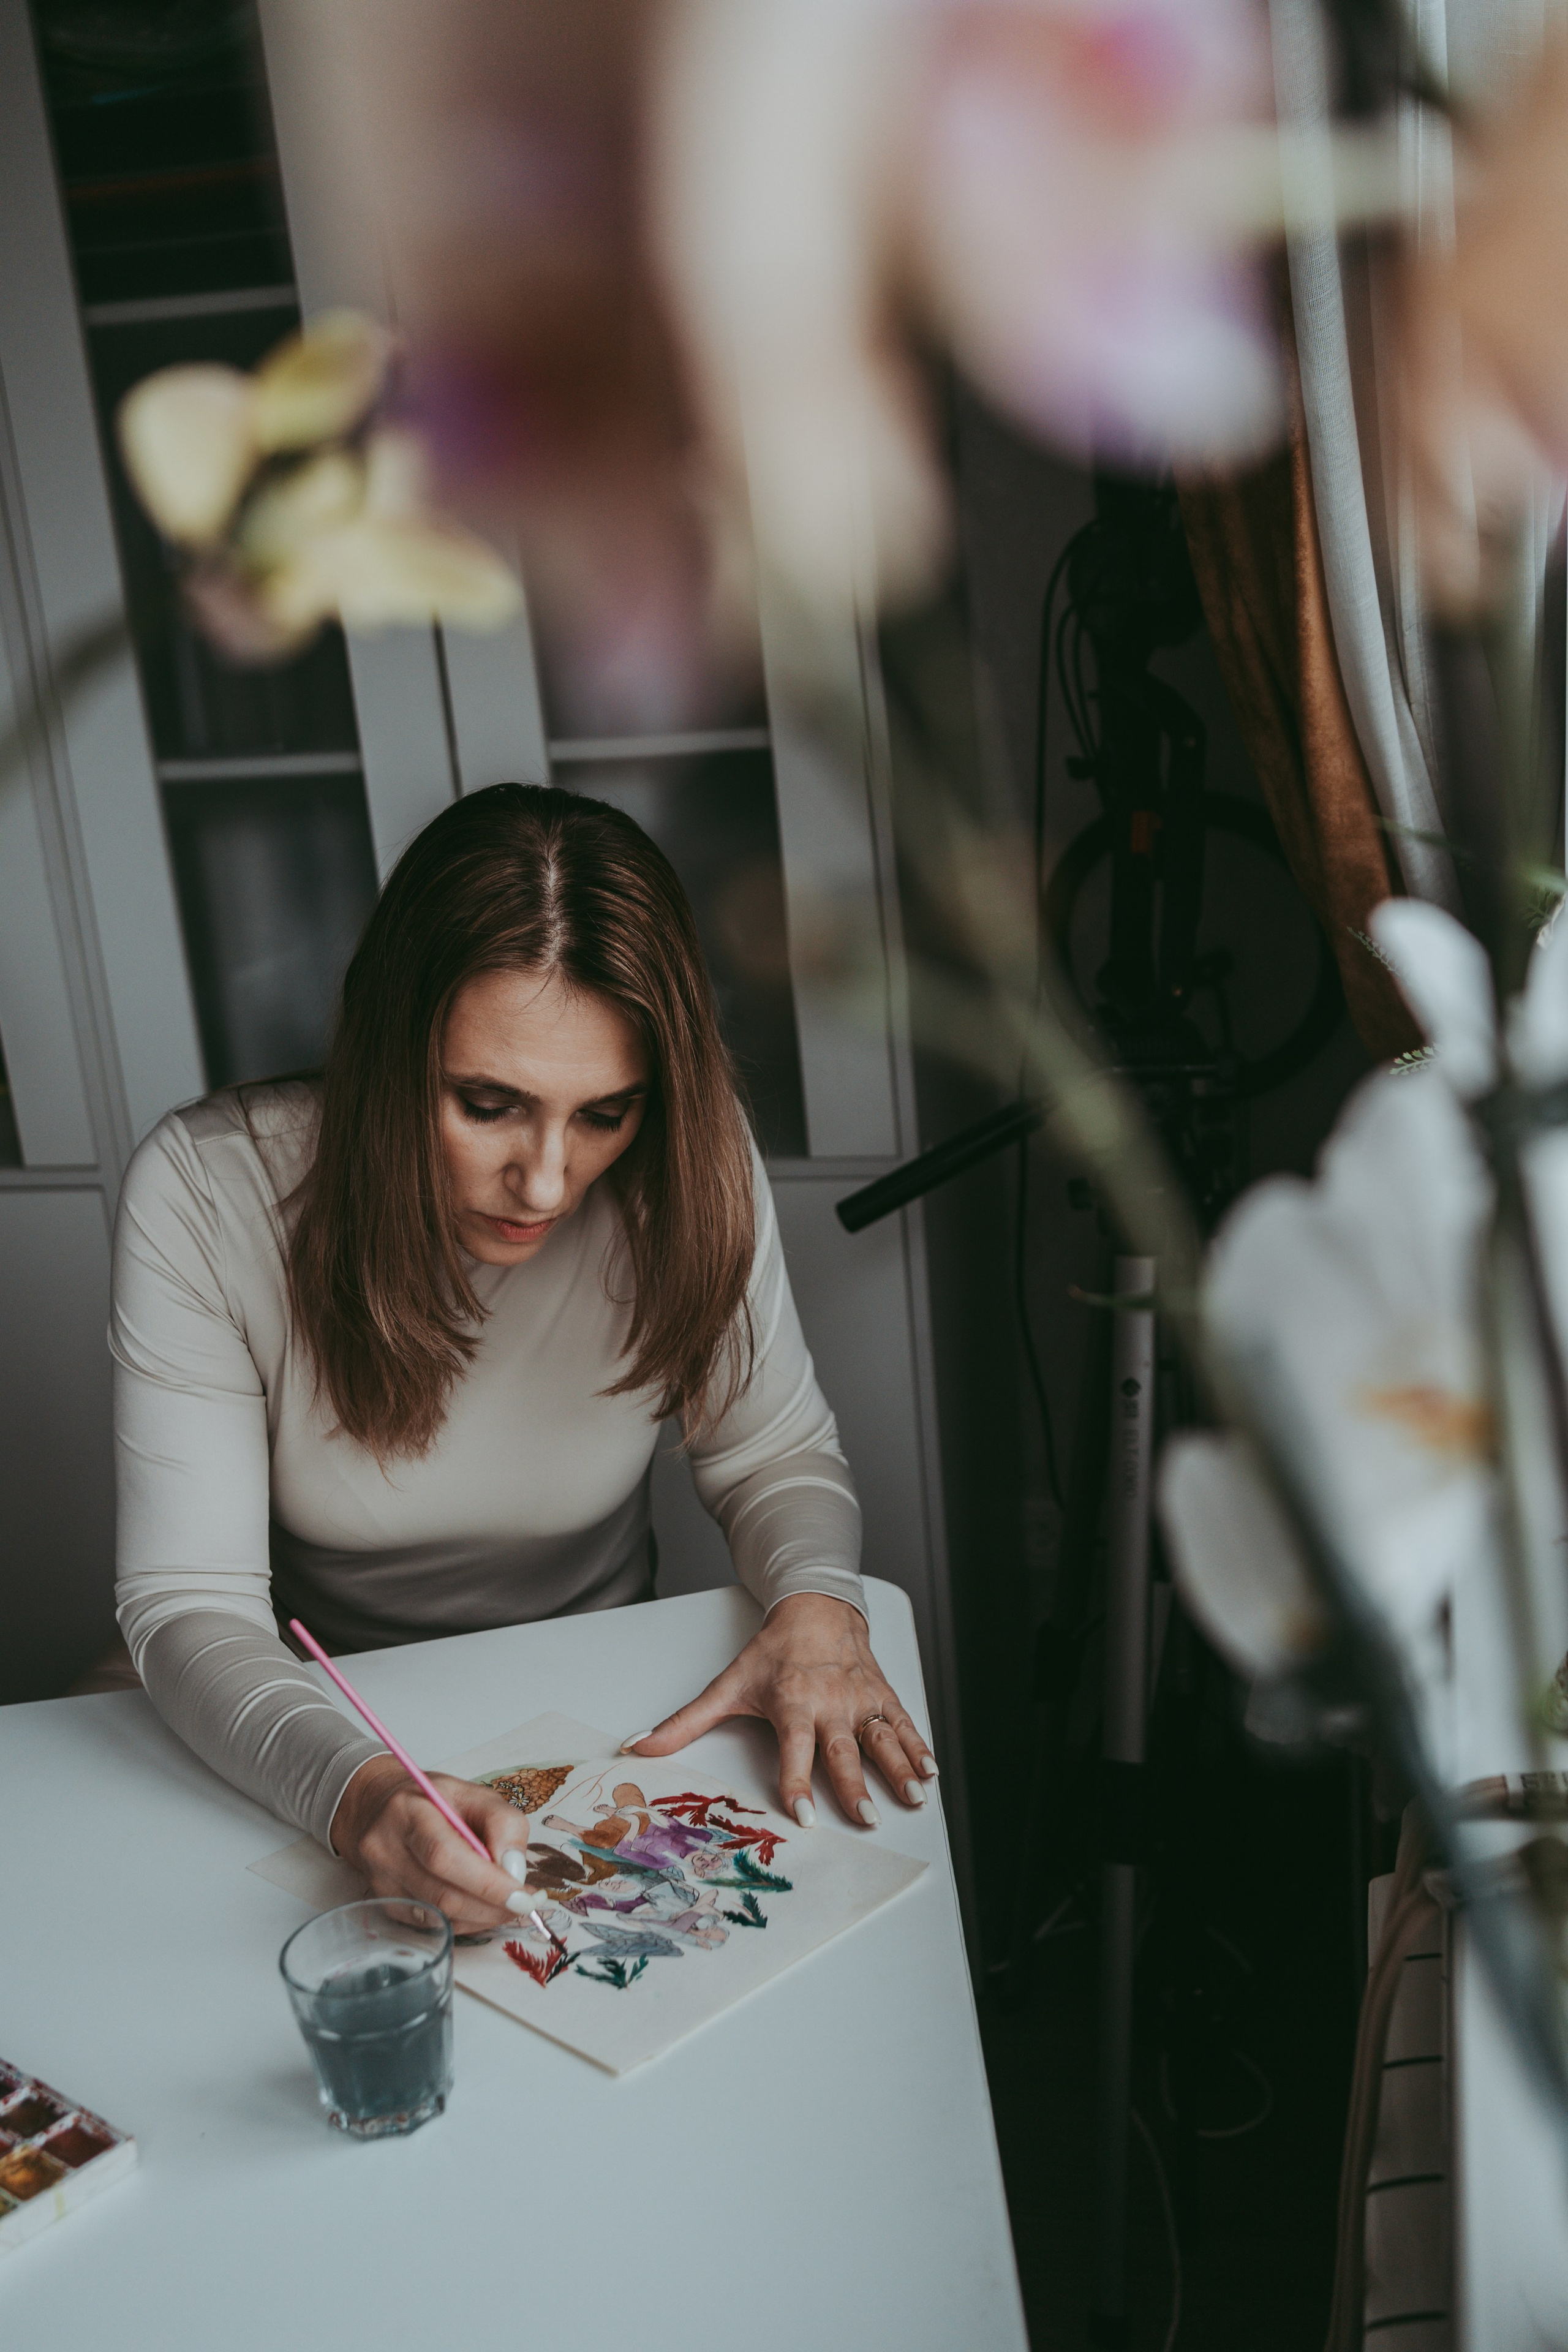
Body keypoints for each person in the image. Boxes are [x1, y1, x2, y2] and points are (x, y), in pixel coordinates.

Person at [112, 782, 935, 1936]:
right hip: (327, 1728)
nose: (548, 1182)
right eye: (488, 1103)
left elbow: (773, 1450)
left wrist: (817, 1603)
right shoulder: (208, 1192)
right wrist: (363, 1797)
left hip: (602, 1713)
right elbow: (191, 1605)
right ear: (389, 1050)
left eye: (607, 1113)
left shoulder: (694, 1168)